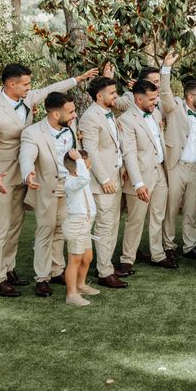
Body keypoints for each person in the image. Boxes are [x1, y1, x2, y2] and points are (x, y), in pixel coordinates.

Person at [0, 63, 97, 297]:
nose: (30, 88)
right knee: (2, 226)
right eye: (26, 84)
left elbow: (51, 89)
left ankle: (10, 268)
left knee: (16, 224)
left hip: (34, 169)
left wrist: (77, 78)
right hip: (2, 173)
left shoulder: (27, 97)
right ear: (11, 84)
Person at [19, 92, 79, 297]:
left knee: (61, 230)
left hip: (69, 187)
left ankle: (56, 270)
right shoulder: (33, 133)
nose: (74, 115)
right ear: (55, 113)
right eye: (70, 111)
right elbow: (27, 155)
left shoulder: (70, 128)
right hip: (46, 189)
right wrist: (28, 173)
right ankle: (42, 278)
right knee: (45, 231)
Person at [159, 52, 196, 263]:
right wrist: (166, 68)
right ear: (190, 97)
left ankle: (189, 246)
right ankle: (169, 246)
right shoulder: (175, 108)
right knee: (171, 209)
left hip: (195, 170)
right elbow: (164, 92)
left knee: (191, 211)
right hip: (175, 167)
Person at [78, 76, 129, 288]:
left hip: (115, 176)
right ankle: (104, 272)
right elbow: (91, 152)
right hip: (102, 181)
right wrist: (105, 179)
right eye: (112, 93)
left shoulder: (110, 113)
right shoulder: (90, 118)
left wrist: (122, 167)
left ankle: (105, 264)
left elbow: (114, 145)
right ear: (99, 96)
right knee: (104, 227)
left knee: (112, 225)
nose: (116, 96)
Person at [118, 79, 171, 272]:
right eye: (151, 99)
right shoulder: (126, 120)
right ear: (138, 99)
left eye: (156, 98)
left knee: (158, 216)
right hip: (140, 176)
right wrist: (138, 183)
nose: (155, 102)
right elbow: (129, 154)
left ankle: (157, 254)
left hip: (159, 171)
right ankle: (127, 259)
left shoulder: (155, 113)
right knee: (136, 219)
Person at [62, 149, 100, 306]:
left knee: (87, 258)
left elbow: (84, 177)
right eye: (87, 161)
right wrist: (78, 159)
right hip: (76, 225)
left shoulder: (80, 179)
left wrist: (80, 162)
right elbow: (84, 177)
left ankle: (81, 284)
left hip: (85, 224)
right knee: (75, 259)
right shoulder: (72, 181)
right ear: (79, 165)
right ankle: (71, 294)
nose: (90, 163)